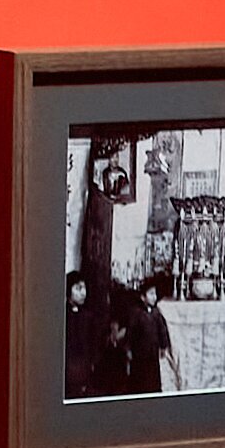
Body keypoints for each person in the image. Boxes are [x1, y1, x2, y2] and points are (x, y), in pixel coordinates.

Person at [64, 132, 172, 400]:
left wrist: (162, 347)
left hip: (148, 358)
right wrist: (125, 345)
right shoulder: (132, 314)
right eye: (78, 289)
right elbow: (127, 335)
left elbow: (161, 333)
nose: (114, 161)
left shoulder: (154, 315)